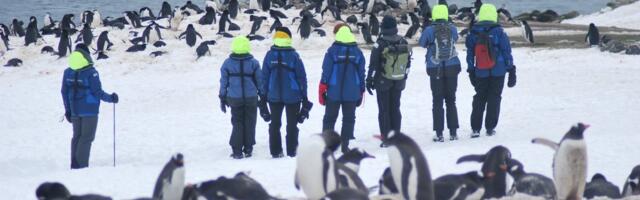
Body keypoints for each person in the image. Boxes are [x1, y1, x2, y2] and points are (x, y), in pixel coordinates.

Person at [61, 44, 118, 169]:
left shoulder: (67, 72)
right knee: (86, 137)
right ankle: (80, 165)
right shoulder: (91, 73)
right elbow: (97, 92)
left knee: (77, 137)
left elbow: (64, 92)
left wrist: (68, 110)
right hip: (90, 111)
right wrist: (111, 98)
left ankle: (74, 163)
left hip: (75, 110)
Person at [465, 4, 517, 138]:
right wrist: (511, 69)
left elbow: (470, 54)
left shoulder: (473, 32)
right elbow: (506, 52)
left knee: (479, 98)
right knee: (495, 98)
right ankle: (490, 128)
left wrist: (471, 70)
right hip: (498, 70)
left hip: (480, 70)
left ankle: (475, 129)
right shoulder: (499, 32)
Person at [260, 27, 311, 158]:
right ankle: (292, 151)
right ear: (288, 38)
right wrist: (304, 97)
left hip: (273, 96)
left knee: (275, 124)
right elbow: (301, 78)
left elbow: (264, 77)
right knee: (292, 125)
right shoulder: (294, 56)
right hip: (293, 96)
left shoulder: (269, 55)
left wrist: (263, 97)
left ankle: (276, 152)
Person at [319, 24, 366, 153]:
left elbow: (326, 71)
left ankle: (327, 145)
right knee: (349, 118)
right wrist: (362, 89)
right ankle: (345, 146)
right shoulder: (357, 52)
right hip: (352, 92)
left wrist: (323, 86)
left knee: (329, 118)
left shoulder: (332, 51)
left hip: (333, 91)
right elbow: (362, 73)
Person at [366, 15, 411, 146]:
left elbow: (373, 64)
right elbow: (408, 63)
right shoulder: (403, 41)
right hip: (399, 80)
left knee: (384, 110)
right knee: (395, 107)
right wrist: (404, 76)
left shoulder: (379, 43)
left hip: (383, 81)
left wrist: (369, 80)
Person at [419, 4, 461, 142]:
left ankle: (439, 133)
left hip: (435, 67)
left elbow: (422, 43)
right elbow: (456, 39)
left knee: (437, 101)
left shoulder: (429, 30)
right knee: (451, 99)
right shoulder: (453, 28)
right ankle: (453, 132)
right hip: (452, 66)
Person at [219, 36, 264, 159]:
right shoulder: (254, 63)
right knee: (250, 122)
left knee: (237, 122)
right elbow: (260, 81)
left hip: (234, 97)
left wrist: (222, 97)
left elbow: (224, 82)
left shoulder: (227, 63)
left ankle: (237, 150)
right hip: (251, 97)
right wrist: (262, 95)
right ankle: (248, 148)